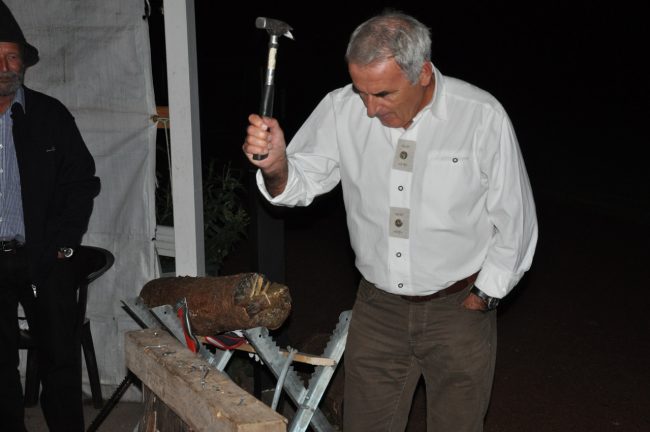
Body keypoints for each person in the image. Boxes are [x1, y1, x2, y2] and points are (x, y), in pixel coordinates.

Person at [243, 10, 537, 432]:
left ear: (424, 73)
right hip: (377, 310)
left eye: (382, 94)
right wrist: (275, 166)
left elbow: (515, 217)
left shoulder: (480, 115)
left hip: (458, 310)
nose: (369, 108)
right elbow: (299, 183)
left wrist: (485, 295)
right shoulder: (342, 108)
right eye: (361, 91)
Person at [0, 2, 100, 431]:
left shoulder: (49, 114)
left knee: (59, 357)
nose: (5, 67)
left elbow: (82, 181)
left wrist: (64, 243)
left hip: (44, 255)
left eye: (12, 57)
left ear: (23, 63)